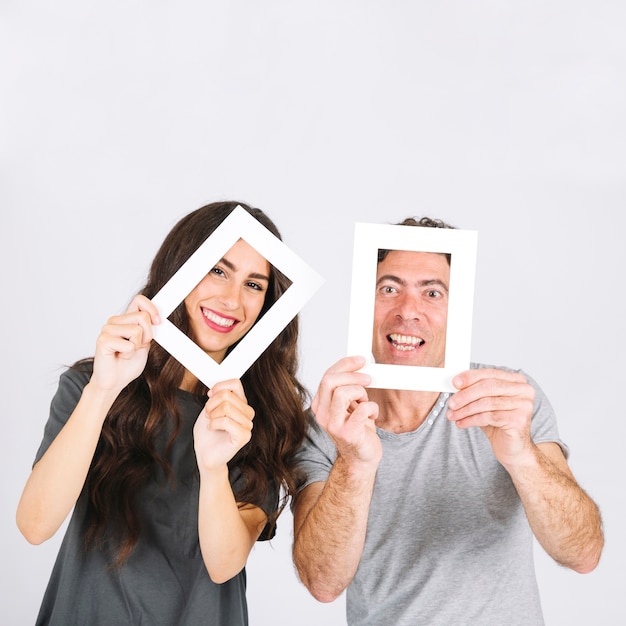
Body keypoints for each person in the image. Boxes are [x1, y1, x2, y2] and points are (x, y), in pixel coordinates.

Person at [292, 217, 604, 626]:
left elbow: (583, 554)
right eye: (389, 288)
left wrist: (522, 455)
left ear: (457, 311)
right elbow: (323, 582)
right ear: (362, 304)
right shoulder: (326, 421)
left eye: (432, 293)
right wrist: (354, 461)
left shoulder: (507, 398)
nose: (408, 311)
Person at [16, 201, 309, 626]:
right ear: (181, 272)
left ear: (268, 304)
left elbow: (225, 564)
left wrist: (213, 467)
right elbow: (35, 525)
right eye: (218, 270)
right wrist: (103, 390)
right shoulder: (92, 384)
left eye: (254, 284)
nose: (231, 299)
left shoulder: (261, 418)